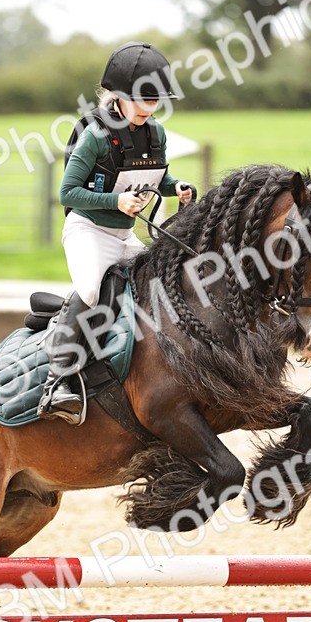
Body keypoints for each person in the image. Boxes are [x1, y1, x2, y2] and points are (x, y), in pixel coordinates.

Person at [37, 41, 194, 424]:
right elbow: (66, 193)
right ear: (119, 97)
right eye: (142, 97)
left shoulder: (155, 135)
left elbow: (156, 174)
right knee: (91, 291)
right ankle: (56, 382)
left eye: (155, 98)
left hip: (124, 236)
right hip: (87, 230)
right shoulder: (95, 137)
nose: (149, 105)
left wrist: (176, 189)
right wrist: (116, 202)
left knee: (163, 283)